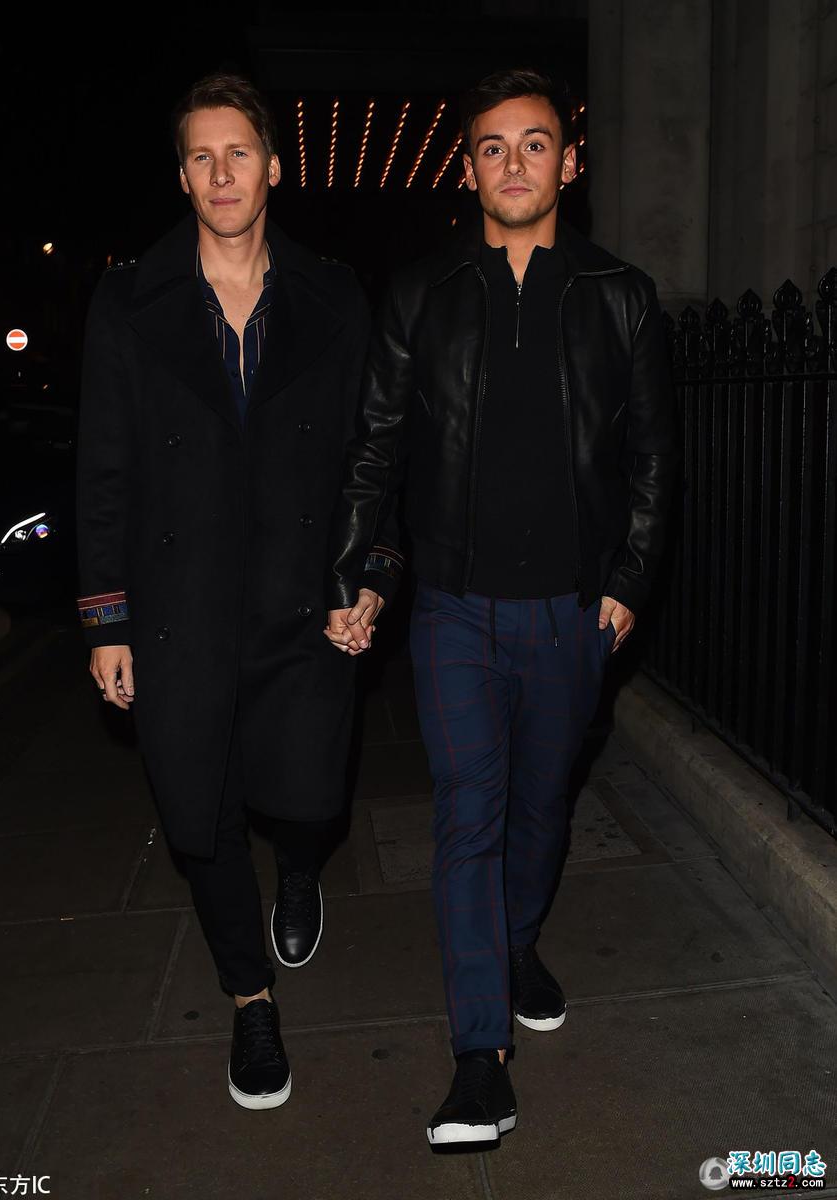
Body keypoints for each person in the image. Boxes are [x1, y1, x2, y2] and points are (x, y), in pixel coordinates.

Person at [326, 67, 677, 1146]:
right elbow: (377, 445)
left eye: (534, 144)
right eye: (492, 146)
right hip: (454, 610)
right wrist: (356, 574)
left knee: (540, 811)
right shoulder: (422, 292)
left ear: (569, 162)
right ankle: (478, 1058)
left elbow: (652, 460)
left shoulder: (620, 295)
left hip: (573, 613)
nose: (513, 163)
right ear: (468, 167)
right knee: (467, 815)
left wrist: (626, 584)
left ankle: (517, 943)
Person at [76, 71, 400, 1111]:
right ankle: (249, 998)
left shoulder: (333, 297)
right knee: (200, 815)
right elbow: (103, 469)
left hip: (303, 598)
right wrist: (107, 619)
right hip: (179, 606)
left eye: (239, 153)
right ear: (182, 177)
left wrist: (371, 573)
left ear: (273, 167)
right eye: (201, 157)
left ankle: (300, 869)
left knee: (308, 795)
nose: (222, 174)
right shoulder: (129, 301)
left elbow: (371, 453)